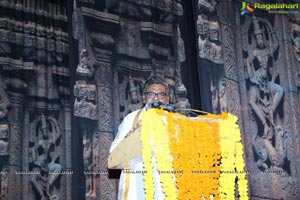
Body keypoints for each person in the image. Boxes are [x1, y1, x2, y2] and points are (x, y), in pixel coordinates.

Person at [109, 76, 170, 200]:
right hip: (138, 184)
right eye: (151, 94)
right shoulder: (131, 120)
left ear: (167, 99)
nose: (156, 98)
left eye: (161, 94)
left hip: (168, 185)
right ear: (144, 97)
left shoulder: (176, 122)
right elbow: (113, 156)